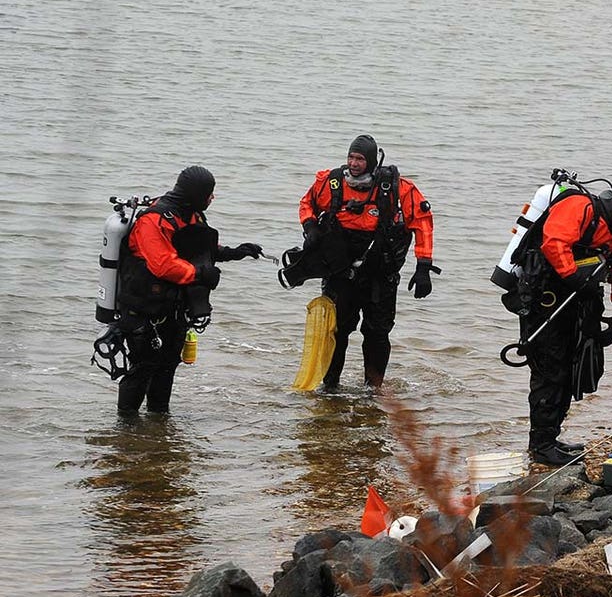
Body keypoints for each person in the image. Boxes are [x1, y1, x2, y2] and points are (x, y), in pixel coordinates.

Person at [517, 188, 612, 466]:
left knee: (574, 369)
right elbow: (554, 243)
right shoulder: (580, 207)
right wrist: (574, 277)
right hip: (547, 301)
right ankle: (541, 444)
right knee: (550, 370)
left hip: (579, 304)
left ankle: (551, 437)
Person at [116, 165, 263, 413]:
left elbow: (199, 249)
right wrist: (201, 275)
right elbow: (163, 265)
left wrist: (235, 253)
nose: (212, 198)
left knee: (167, 365)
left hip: (175, 307)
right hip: (144, 309)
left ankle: (159, 420)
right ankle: (126, 429)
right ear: (196, 194)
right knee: (143, 367)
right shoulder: (154, 220)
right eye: (209, 193)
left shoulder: (192, 214)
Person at [298, 134, 438, 390]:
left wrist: (423, 267)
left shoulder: (398, 188)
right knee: (335, 332)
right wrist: (310, 227)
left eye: (360, 159)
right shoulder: (330, 184)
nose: (353, 163)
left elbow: (423, 223)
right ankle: (330, 387)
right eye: (351, 157)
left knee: (376, 334)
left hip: (379, 275)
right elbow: (306, 203)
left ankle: (372, 389)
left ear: (372, 161)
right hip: (340, 274)